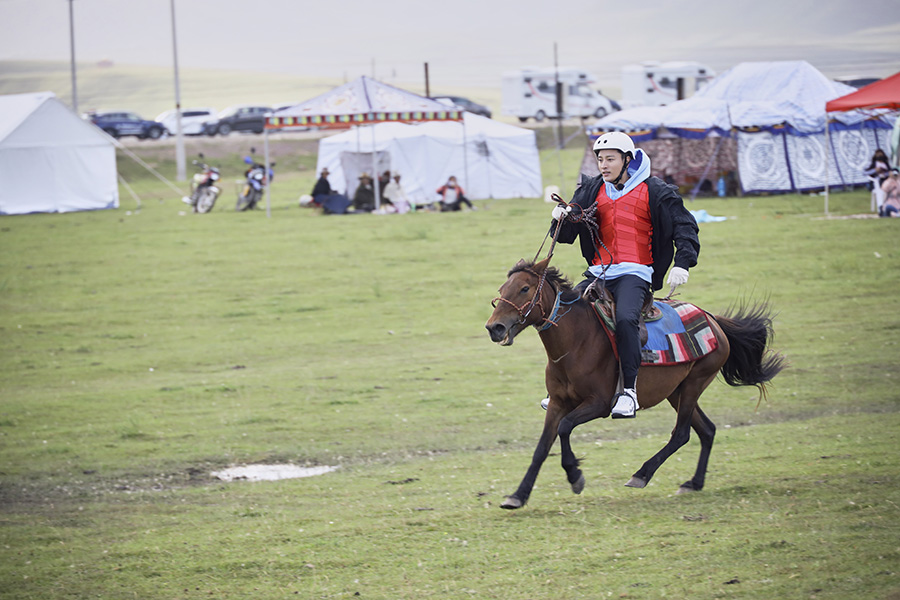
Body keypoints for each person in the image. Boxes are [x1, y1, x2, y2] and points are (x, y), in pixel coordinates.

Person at [545, 131, 700, 418]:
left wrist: (683, 263)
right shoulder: (591, 190)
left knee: (627, 319)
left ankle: (628, 391)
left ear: (627, 160)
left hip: (635, 273)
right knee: (562, 314)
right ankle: (560, 387)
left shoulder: (657, 191)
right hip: (597, 273)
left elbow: (685, 227)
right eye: (600, 160)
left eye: (610, 159)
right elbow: (567, 235)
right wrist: (560, 219)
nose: (603, 165)